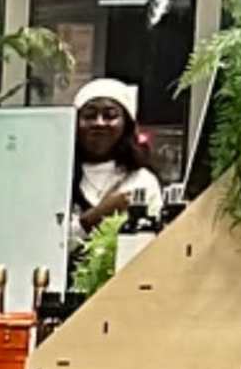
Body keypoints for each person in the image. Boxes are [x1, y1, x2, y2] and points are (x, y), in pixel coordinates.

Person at [66, 79, 168, 298]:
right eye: (89, 115)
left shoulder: (141, 181)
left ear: (126, 124)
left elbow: (154, 248)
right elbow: (48, 244)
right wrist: (96, 215)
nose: (99, 123)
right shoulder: (58, 176)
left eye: (110, 115)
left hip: (125, 295)